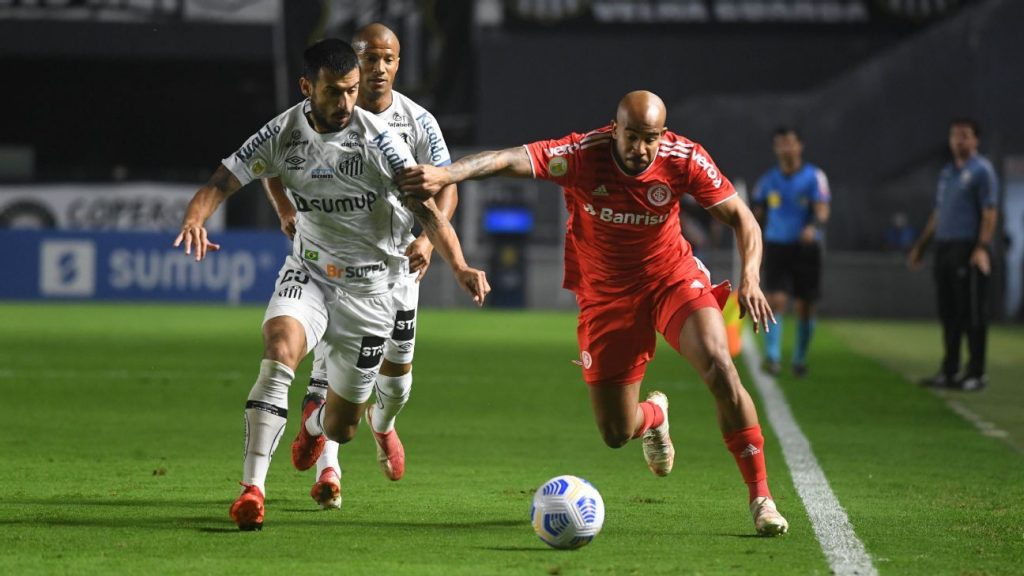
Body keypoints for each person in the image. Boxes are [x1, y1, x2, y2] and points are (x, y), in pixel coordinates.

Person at [398, 90, 789, 536]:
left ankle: (761, 499)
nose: (641, 149)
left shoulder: (684, 158)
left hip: (671, 279)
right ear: (614, 128)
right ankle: (655, 417)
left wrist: (751, 278)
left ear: (663, 135)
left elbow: (743, 218)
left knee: (720, 366)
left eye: (651, 139)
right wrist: (445, 174)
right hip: (606, 297)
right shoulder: (583, 154)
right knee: (616, 432)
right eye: (632, 137)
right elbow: (507, 159)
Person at [173, 38, 489, 531]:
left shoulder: (381, 142)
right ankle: (252, 489)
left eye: (351, 91)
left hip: (372, 292)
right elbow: (222, 180)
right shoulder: (283, 131)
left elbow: (430, 211)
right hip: (311, 272)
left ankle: (315, 424)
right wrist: (196, 218)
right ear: (307, 88)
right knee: (279, 350)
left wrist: (459, 264)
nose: (345, 103)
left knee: (343, 424)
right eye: (334, 92)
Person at [262, 23, 459, 510]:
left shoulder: (417, 122)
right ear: (351, 63)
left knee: (395, 383)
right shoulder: (314, 118)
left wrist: (428, 242)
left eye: (387, 59)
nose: (378, 68)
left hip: (398, 271)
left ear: (398, 63)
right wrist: (286, 209)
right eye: (368, 59)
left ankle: (383, 425)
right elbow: (272, 162)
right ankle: (330, 465)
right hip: (336, 269)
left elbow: (447, 184)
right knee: (335, 370)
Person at [908, 118, 999, 392]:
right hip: (945, 248)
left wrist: (981, 247)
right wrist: (921, 246)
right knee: (948, 312)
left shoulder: (982, 170)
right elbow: (938, 214)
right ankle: (949, 370)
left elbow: (990, 212)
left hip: (968, 248)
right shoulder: (948, 172)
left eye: (965, 136)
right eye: (955, 135)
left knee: (971, 312)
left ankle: (976, 372)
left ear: (975, 141)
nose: (959, 140)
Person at [750, 127, 831, 378]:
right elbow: (757, 214)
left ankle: (799, 358)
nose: (785, 149)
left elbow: (822, 210)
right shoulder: (767, 181)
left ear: (799, 146)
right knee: (775, 301)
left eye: (789, 143)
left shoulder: (814, 177)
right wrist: (754, 239)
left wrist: (812, 227)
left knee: (805, 306)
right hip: (776, 246)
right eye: (780, 144)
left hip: (805, 248)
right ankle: (773, 357)